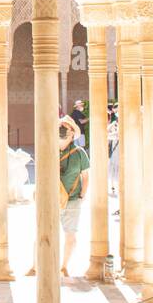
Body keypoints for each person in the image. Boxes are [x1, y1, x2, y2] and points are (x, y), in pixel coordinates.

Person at [59, 115, 89, 279]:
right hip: (52, 201)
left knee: (70, 235)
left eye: (65, 127)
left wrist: (82, 195)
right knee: (41, 234)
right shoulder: (49, 149)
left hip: (72, 200)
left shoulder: (79, 153)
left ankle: (64, 266)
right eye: (60, 127)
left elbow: (85, 176)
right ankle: (37, 265)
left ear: (72, 134)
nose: (62, 130)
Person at [107, 105, 119, 197]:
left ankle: (114, 187)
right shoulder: (115, 122)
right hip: (115, 148)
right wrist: (112, 124)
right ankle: (113, 187)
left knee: (115, 167)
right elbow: (107, 131)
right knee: (113, 167)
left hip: (118, 148)